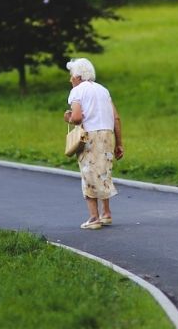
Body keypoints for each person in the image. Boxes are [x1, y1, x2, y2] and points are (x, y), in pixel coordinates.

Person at [63, 58, 124, 230]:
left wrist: (67, 117)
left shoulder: (77, 92)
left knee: (88, 174)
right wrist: (119, 143)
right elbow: (116, 118)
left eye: (71, 76)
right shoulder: (103, 90)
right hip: (107, 135)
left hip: (90, 136)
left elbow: (76, 118)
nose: (70, 80)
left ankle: (93, 218)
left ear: (78, 76)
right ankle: (106, 213)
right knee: (103, 173)